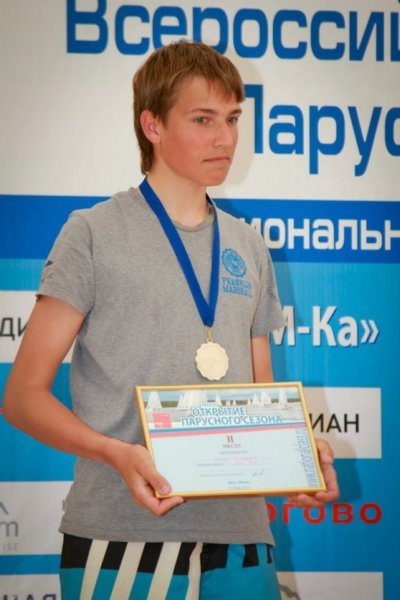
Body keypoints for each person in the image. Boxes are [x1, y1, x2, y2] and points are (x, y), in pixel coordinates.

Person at [3, 41, 339, 599]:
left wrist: (299, 451)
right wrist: (116, 452)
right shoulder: (92, 232)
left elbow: (262, 394)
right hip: (121, 536)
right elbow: (22, 398)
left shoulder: (249, 245)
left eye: (233, 118)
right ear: (152, 125)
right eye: (203, 119)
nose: (225, 138)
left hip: (242, 539)